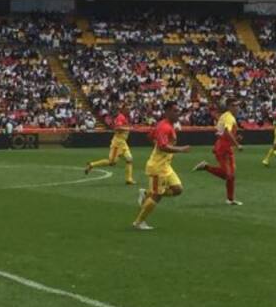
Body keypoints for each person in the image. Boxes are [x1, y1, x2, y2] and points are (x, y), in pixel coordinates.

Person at [132, 102, 191, 231]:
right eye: (175, 111)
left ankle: (145, 194)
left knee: (178, 190)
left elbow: (150, 136)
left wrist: (157, 145)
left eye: (178, 110)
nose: (178, 114)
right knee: (157, 196)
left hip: (166, 166)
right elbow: (163, 146)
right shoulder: (164, 127)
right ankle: (138, 222)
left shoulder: (166, 125)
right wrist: (181, 149)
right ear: (168, 111)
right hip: (158, 167)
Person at [194, 98, 242, 205]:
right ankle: (206, 167)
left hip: (224, 146)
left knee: (231, 176)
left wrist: (234, 138)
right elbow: (226, 132)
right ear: (229, 106)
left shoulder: (225, 116)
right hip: (223, 147)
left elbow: (222, 132)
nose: (237, 107)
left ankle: (230, 199)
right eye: (235, 105)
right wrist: (237, 144)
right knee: (228, 175)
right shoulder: (229, 117)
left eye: (238, 105)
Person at [85, 104, 135, 185]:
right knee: (112, 162)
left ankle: (129, 179)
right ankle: (92, 165)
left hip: (123, 142)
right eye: (127, 109)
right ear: (123, 110)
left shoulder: (126, 117)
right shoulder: (120, 117)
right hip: (117, 143)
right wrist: (128, 128)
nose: (129, 110)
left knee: (129, 159)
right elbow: (117, 127)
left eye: (129, 109)